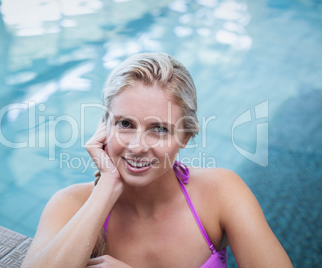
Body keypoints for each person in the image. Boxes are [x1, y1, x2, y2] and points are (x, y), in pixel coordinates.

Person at [21, 53, 292, 267]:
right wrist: (106, 186)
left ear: (186, 136)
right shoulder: (71, 205)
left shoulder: (220, 192)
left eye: (159, 129)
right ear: (104, 126)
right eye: (125, 124)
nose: (137, 147)